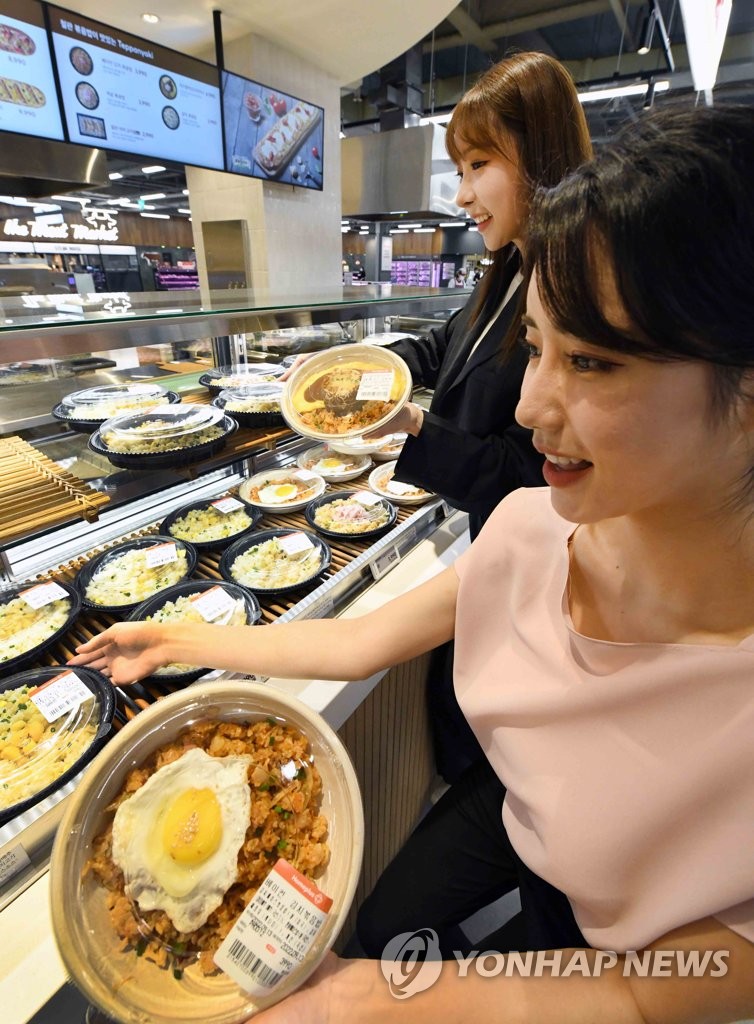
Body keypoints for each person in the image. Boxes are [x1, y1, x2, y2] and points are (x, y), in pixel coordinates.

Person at [71, 104, 754, 1024]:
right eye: (538, 350)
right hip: (520, 820)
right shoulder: (528, 532)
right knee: (373, 927)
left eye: (590, 363)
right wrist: (174, 636)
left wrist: (378, 1004)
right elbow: (361, 645)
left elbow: (666, 985)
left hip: (624, 949)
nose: (529, 406)